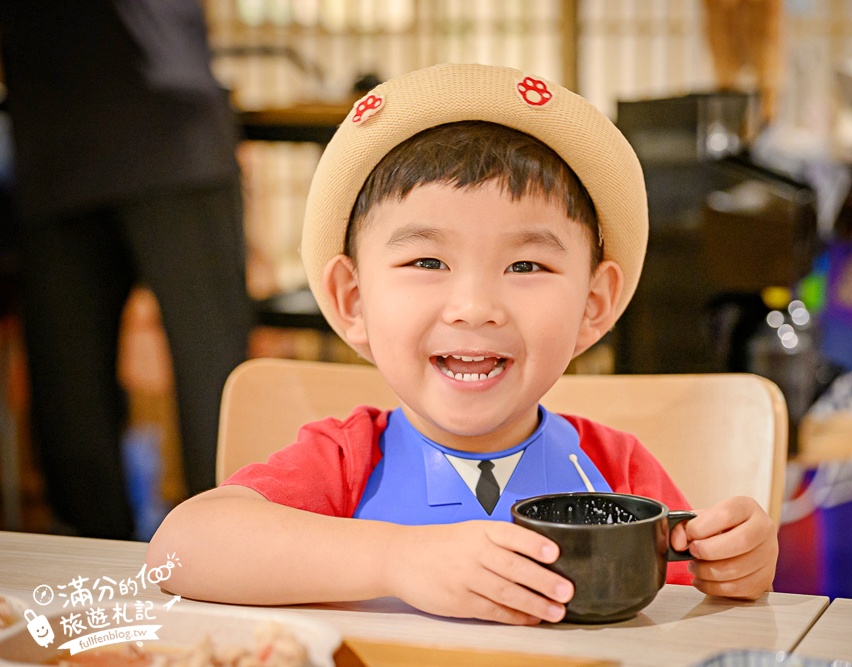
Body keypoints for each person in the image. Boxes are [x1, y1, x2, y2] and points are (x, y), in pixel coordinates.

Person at [147, 63, 778, 625]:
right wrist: (397, 559)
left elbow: (683, 606)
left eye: (526, 267)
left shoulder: (615, 472)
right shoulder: (344, 462)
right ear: (353, 299)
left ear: (594, 304)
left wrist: (732, 567)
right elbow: (181, 548)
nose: (475, 307)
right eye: (426, 261)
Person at [0, 2, 254, 539]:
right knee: (70, 403)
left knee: (214, 388)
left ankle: (230, 549)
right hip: (56, 144)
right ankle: (93, 584)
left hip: (166, 130)